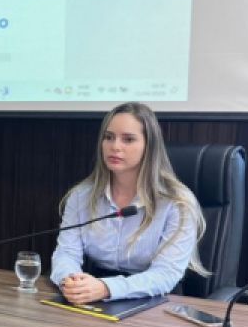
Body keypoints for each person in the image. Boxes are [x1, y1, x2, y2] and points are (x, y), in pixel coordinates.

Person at [50, 102, 206, 303]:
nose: (115, 146)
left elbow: (166, 274)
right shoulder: (82, 195)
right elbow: (66, 253)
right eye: (109, 137)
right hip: (92, 294)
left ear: (149, 147)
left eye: (128, 139)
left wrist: (106, 288)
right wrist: (70, 281)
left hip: (155, 299)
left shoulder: (178, 203)